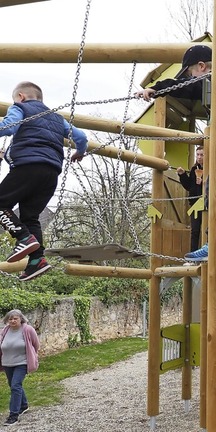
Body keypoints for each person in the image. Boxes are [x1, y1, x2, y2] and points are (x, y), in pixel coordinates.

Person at [0, 81, 87, 281]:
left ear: (20, 96)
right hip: (51, 173)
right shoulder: (57, 118)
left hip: (28, 167)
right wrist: (79, 153)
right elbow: (81, 137)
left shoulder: (20, 107)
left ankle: (23, 237)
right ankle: (36, 260)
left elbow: (9, 126)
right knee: (30, 217)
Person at [135, 45, 216, 177]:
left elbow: (187, 86)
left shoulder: (214, 80)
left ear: (201, 66)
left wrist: (157, 89)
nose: (190, 78)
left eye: (190, 74)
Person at [0, 310, 40, 426]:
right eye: (10, 319)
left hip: (21, 363)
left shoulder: (27, 329)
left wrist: (32, 356)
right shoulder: (5, 330)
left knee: (15, 386)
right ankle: (24, 405)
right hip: (7, 363)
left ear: (21, 319)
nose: (12, 321)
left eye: (15, 318)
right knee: (13, 385)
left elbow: (35, 344)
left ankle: (13, 415)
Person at [177, 145, 204, 251]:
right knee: (195, 230)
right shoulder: (194, 169)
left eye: (202, 155)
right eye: (197, 155)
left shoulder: (211, 168)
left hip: (206, 202)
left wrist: (202, 183)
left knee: (208, 229)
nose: (199, 157)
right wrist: (182, 175)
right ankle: (193, 254)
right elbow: (188, 186)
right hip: (195, 203)